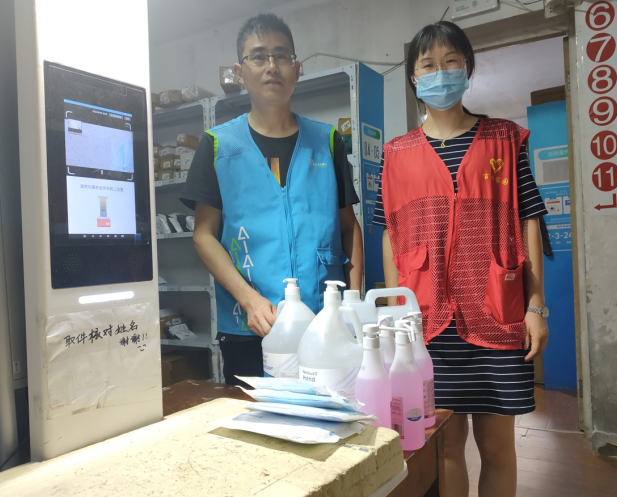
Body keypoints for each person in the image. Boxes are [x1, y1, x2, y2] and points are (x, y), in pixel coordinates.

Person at [372, 21, 549, 497]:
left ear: (467, 68)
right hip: (425, 323)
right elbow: (390, 232)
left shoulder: (504, 139)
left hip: (497, 312)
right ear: (413, 77)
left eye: (451, 62)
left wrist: (536, 306)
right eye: (428, 65)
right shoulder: (395, 154)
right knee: (444, 449)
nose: (441, 73)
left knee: (497, 448)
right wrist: (395, 313)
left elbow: (529, 220)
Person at [180, 13, 363, 385]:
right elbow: (204, 235)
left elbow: (349, 228)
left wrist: (351, 306)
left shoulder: (327, 142)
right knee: (257, 422)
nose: (272, 66)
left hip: (323, 324)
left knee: (331, 417)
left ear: (297, 68)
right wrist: (248, 299)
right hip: (251, 327)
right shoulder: (218, 146)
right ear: (239, 71)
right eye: (259, 56)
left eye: (281, 56)